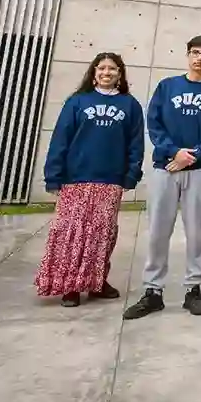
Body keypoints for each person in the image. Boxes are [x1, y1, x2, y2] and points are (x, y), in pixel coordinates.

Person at [123, 35, 201, 320]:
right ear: (187, 55)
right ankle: (152, 291)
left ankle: (193, 290)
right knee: (158, 231)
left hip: (200, 170)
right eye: (195, 52)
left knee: (196, 233)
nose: (199, 58)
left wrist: (192, 155)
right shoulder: (167, 87)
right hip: (166, 169)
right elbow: (154, 124)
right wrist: (174, 153)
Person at [36, 53, 144, 307]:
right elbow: (60, 139)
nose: (107, 72)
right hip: (76, 178)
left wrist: (130, 175)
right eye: (102, 68)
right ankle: (70, 286)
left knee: (102, 235)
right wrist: (53, 176)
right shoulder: (77, 102)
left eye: (113, 69)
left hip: (110, 179)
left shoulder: (130, 105)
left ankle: (96, 282)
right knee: (71, 232)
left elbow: (136, 144)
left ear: (120, 74)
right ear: (94, 72)